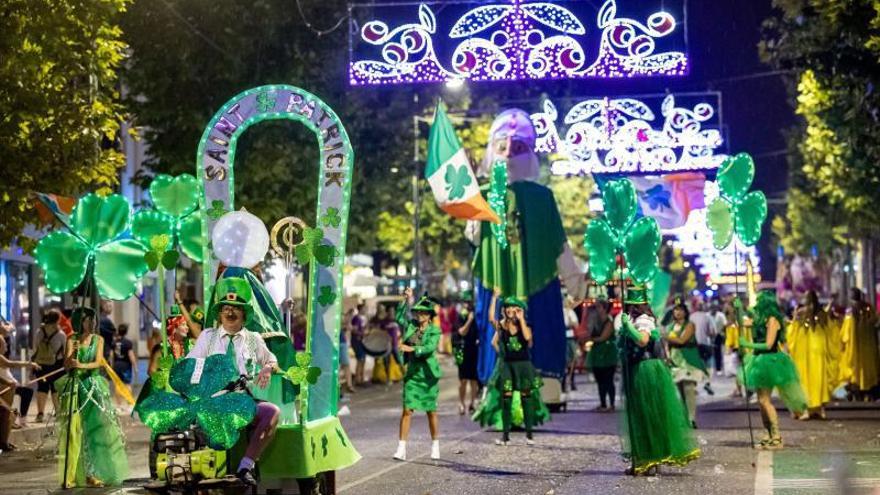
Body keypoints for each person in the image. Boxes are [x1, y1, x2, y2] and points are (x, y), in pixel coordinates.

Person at [187, 277, 281, 486]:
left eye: (236, 308)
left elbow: (272, 360)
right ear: (219, 313)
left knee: (272, 412)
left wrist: (267, 367)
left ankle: (246, 467)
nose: (230, 313)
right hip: (212, 402)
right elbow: (190, 364)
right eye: (226, 308)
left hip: (241, 402)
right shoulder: (207, 337)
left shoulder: (253, 338)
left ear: (244, 314)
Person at [617, 287, 699, 475]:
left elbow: (643, 340)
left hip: (646, 370)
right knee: (638, 415)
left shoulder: (643, 320)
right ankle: (643, 459)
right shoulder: (634, 319)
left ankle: (651, 460)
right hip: (637, 369)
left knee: (648, 413)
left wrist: (628, 327)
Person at [56, 307, 128, 487]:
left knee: (94, 432)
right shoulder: (71, 339)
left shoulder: (99, 339)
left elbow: (98, 362)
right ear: (81, 321)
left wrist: (80, 364)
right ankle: (73, 475)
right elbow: (66, 365)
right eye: (89, 320)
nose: (93, 323)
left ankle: (94, 473)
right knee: (74, 432)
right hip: (74, 389)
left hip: (92, 389)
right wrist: (73, 354)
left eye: (94, 320)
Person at [740, 291, 807, 449]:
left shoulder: (773, 320)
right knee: (761, 401)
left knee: (764, 400)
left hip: (770, 360)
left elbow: (769, 344)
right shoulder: (759, 320)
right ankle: (767, 434)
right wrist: (738, 309)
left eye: (759, 301)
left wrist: (747, 345)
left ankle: (776, 437)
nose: (756, 304)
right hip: (758, 361)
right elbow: (741, 322)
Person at [393, 288, 442, 461]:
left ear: (429, 315)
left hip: (428, 376)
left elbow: (429, 348)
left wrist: (411, 348)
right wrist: (405, 299)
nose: (420, 315)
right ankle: (401, 448)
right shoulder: (411, 326)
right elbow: (399, 317)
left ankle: (435, 444)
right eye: (418, 312)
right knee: (407, 410)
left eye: (424, 312)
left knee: (431, 411)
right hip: (413, 373)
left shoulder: (435, 331)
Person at [489, 289, 541, 446]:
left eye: (514, 307)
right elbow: (491, 318)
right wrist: (494, 297)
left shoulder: (526, 324)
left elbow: (527, 338)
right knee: (506, 399)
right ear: (504, 310)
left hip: (523, 366)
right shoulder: (502, 326)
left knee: (527, 398)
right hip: (507, 367)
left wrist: (522, 319)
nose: (510, 310)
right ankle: (505, 437)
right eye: (508, 307)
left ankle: (529, 435)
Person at [787, 290, 839, 420]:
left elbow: (793, 330)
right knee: (819, 377)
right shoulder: (821, 313)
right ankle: (819, 409)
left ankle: (806, 409)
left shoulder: (801, 312)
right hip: (818, 347)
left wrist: (794, 319)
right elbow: (831, 329)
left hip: (804, 348)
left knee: (804, 378)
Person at [663, 298, 708, 428]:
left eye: (680, 309)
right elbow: (667, 344)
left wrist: (666, 337)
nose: (677, 312)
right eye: (676, 309)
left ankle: (691, 418)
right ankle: (685, 417)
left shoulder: (690, 325)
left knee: (689, 389)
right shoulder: (671, 326)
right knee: (680, 390)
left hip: (688, 359)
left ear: (685, 311)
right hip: (675, 360)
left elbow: (682, 340)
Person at [0, 319, 40, 451]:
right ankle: (4, 443)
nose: (6, 346)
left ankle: (4, 442)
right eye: (4, 344)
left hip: (8, 387)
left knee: (9, 413)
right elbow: (12, 364)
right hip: (5, 388)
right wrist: (30, 364)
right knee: (8, 413)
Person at [839, 288, 879, 400]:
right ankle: (867, 390)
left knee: (855, 368)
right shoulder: (868, 308)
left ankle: (856, 390)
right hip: (868, 345)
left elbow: (846, 332)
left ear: (851, 297)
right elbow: (875, 321)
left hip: (855, 346)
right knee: (868, 367)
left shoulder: (850, 311)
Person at [31, 309, 66, 422]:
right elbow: (65, 351)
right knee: (56, 389)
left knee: (42, 388)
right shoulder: (61, 334)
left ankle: (40, 414)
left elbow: (35, 348)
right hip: (57, 365)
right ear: (58, 319)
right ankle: (58, 412)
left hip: (41, 364)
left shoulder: (39, 332)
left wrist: (32, 366)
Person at [583, 299, 617, 412]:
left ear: (604, 308)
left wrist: (590, 339)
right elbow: (589, 332)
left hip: (607, 354)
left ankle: (611, 404)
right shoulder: (595, 321)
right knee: (600, 379)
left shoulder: (609, 321)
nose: (596, 310)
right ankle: (603, 403)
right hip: (597, 354)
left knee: (608, 379)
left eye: (598, 307)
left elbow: (603, 337)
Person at [452, 301, 479, 415]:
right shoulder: (460, 318)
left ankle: (472, 403)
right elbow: (462, 332)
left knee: (473, 380)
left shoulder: (476, 319)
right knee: (463, 380)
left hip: (473, 351)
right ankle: (461, 403)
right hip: (462, 351)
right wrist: (469, 320)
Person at [689, 301, 716, 395]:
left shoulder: (691, 317)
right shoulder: (707, 317)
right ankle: (707, 383)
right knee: (708, 365)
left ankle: (694, 387)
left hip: (694, 344)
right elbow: (712, 332)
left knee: (695, 365)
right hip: (706, 344)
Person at [111, 324, 138, 407]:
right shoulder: (128, 343)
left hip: (116, 365)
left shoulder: (114, 343)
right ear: (126, 332)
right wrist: (135, 367)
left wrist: (112, 366)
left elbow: (111, 356)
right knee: (127, 384)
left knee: (117, 385)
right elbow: (131, 355)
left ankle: (118, 404)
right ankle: (129, 402)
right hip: (125, 366)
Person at [563, 296, 581, 392]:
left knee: (573, 359)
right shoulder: (561, 312)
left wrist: (571, 322)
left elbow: (576, 325)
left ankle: (572, 381)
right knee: (565, 361)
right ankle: (563, 383)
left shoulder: (571, 313)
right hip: (563, 338)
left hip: (571, 338)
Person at [350, 304, 367, 386]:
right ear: (360, 309)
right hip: (356, 341)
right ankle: (358, 380)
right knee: (360, 359)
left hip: (360, 341)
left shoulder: (361, 318)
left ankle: (361, 378)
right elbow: (354, 331)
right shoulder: (356, 318)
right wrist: (362, 334)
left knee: (362, 360)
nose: (365, 310)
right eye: (364, 308)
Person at [709, 303, 727, 376]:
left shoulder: (721, 315)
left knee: (718, 352)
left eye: (715, 309)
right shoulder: (707, 316)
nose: (713, 310)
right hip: (709, 336)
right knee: (710, 353)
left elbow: (725, 324)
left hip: (718, 335)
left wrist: (721, 331)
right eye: (712, 309)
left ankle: (718, 368)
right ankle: (711, 368)